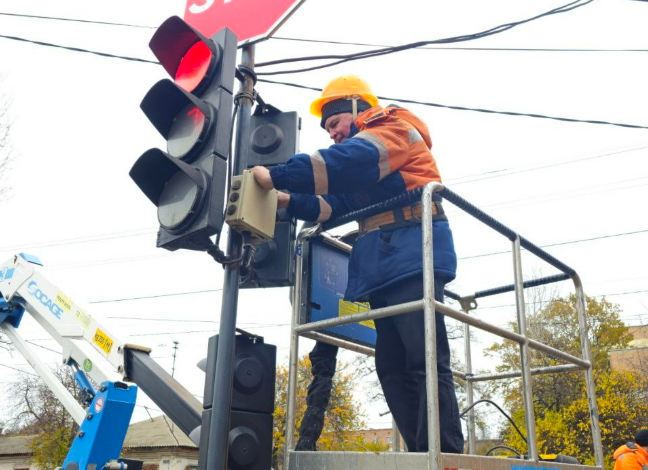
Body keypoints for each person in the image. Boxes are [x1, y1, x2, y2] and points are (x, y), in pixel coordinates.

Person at [252, 75, 463, 453]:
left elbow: (349, 162)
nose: (332, 133)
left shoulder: (390, 128)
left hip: (413, 252)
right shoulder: (367, 165)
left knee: (425, 359)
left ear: (355, 109)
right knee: (393, 368)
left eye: (334, 123)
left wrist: (277, 174)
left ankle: (444, 453)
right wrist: (286, 198)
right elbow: (336, 205)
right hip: (386, 263)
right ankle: (421, 453)